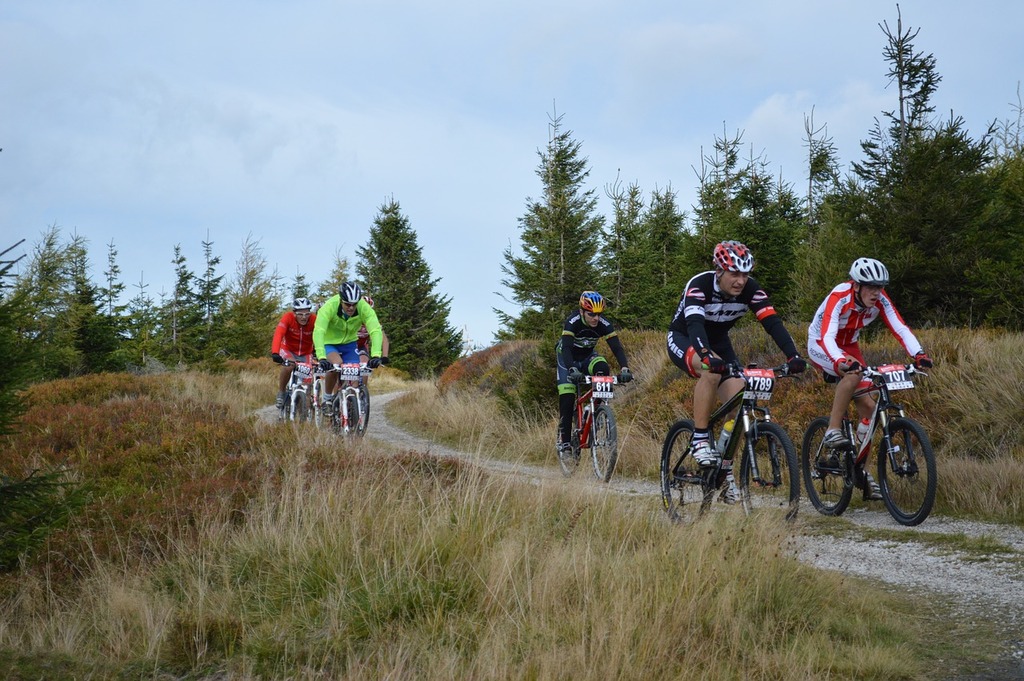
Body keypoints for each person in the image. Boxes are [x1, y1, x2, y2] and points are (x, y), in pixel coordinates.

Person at [666, 240, 807, 503]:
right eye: (735, 274)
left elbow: (773, 323)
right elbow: (695, 325)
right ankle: (698, 439)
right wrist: (706, 355)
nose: (741, 281)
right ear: (719, 271)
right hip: (685, 337)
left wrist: (793, 355)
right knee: (711, 370)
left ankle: (725, 468)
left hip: (719, 342)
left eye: (745, 274)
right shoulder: (700, 285)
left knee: (740, 399)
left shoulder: (751, 290)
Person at [807, 257, 934, 501]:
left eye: (880, 287)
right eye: (871, 287)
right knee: (853, 374)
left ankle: (859, 470)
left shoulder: (881, 300)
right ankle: (832, 430)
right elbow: (828, 335)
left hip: (849, 345)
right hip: (822, 343)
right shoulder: (840, 297)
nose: (877, 292)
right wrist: (840, 362)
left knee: (870, 407)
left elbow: (900, 327)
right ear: (856, 285)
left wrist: (918, 354)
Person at [556, 291, 633, 458]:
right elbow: (567, 349)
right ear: (582, 311)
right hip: (566, 359)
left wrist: (625, 368)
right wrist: (571, 369)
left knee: (602, 368)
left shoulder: (603, 324)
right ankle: (566, 444)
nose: (595, 318)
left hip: (586, 357)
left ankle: (596, 412)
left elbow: (616, 347)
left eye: (598, 314)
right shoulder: (572, 321)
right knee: (567, 398)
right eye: (591, 314)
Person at [313, 281, 388, 413]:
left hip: (349, 344)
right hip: (329, 342)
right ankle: (328, 398)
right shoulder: (330, 306)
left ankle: (351, 407)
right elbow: (319, 331)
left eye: (354, 304)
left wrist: (376, 355)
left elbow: (375, 330)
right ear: (341, 300)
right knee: (336, 364)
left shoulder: (363, 307)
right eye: (347, 304)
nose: (351, 308)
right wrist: (321, 357)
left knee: (355, 374)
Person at [270, 297, 318, 409]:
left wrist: (321, 354)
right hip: (288, 350)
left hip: (306, 352)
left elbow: (321, 336)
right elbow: (278, 334)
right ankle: (281, 392)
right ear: (294, 313)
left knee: (307, 382)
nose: (304, 317)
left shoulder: (314, 319)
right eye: (300, 314)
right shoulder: (288, 318)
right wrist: (275, 352)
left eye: (307, 314)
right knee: (289, 366)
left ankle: (303, 407)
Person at [356, 294, 390, 384]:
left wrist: (384, 357)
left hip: (361, 346)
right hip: (348, 344)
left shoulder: (372, 321)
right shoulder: (352, 318)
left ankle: (362, 391)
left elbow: (384, 340)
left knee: (364, 363)